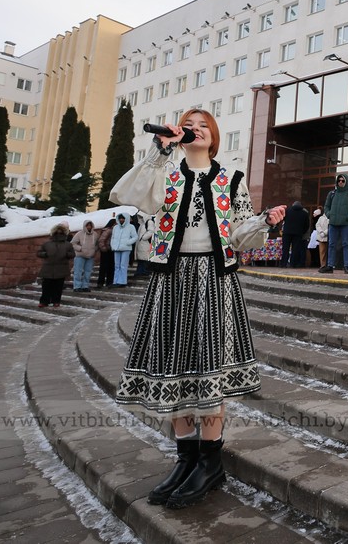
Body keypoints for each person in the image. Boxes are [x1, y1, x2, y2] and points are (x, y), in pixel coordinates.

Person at [110, 108, 286, 509]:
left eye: (204, 125)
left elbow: (239, 235)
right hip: (171, 279)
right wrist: (160, 151)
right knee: (173, 368)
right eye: (189, 125)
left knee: (209, 370)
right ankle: (185, 458)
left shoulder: (231, 178)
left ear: (215, 135)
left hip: (214, 280)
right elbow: (130, 195)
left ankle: (210, 462)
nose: (196, 130)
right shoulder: (165, 173)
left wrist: (263, 222)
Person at [319, 174, 348, 274]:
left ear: (346, 182)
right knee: (331, 244)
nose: (340, 182)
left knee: (346, 244)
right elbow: (326, 206)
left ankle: (346, 266)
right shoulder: (332, 194)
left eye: (343, 180)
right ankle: (330, 266)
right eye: (339, 180)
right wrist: (329, 215)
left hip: (346, 224)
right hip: (333, 223)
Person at [37, 223, 75, 307]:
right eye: (57, 232)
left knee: (58, 286)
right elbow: (39, 253)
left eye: (61, 232)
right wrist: (45, 254)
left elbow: (72, 254)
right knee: (46, 286)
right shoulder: (47, 244)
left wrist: (67, 254)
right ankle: (44, 301)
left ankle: (56, 301)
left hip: (61, 268)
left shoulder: (67, 244)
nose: (59, 234)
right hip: (48, 268)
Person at [110, 213, 138, 287]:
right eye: (120, 218)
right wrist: (113, 245)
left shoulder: (131, 227)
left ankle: (122, 281)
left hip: (126, 248)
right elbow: (113, 237)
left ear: (126, 219)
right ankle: (116, 281)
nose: (121, 220)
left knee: (123, 265)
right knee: (117, 265)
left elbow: (135, 237)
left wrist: (128, 242)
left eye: (123, 218)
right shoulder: (115, 227)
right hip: (116, 248)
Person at [70, 220, 99, 292]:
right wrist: (80, 249)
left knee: (88, 272)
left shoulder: (95, 234)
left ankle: (85, 286)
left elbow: (97, 244)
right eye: (87, 225)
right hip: (80, 255)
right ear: (85, 226)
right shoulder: (79, 234)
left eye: (90, 225)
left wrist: (94, 250)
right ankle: (77, 286)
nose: (89, 227)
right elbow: (73, 243)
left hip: (90, 256)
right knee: (78, 271)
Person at [280, 200, 309, 268]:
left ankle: (283, 264)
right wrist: (302, 232)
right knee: (295, 249)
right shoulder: (304, 213)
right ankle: (293, 264)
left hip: (287, 233)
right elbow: (307, 225)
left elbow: (283, 220)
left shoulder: (287, 211)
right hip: (298, 234)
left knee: (285, 249)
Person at [134, 214, 155, 278]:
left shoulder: (149, 222)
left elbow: (151, 231)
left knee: (144, 258)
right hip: (141, 243)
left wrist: (144, 237)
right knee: (141, 259)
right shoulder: (142, 224)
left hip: (145, 243)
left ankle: (143, 271)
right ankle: (140, 271)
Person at [96, 219, 115, 288]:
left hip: (110, 250)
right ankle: (102, 282)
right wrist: (104, 249)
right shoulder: (108, 230)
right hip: (107, 250)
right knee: (105, 267)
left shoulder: (111, 230)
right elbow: (101, 240)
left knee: (110, 267)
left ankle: (107, 282)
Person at [315, 204, 330, 268]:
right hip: (321, 237)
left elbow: (330, 226)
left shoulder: (331, 218)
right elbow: (317, 225)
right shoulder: (321, 218)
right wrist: (321, 231)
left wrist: (325, 233)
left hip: (328, 237)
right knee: (322, 252)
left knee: (328, 252)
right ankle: (322, 265)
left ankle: (328, 265)